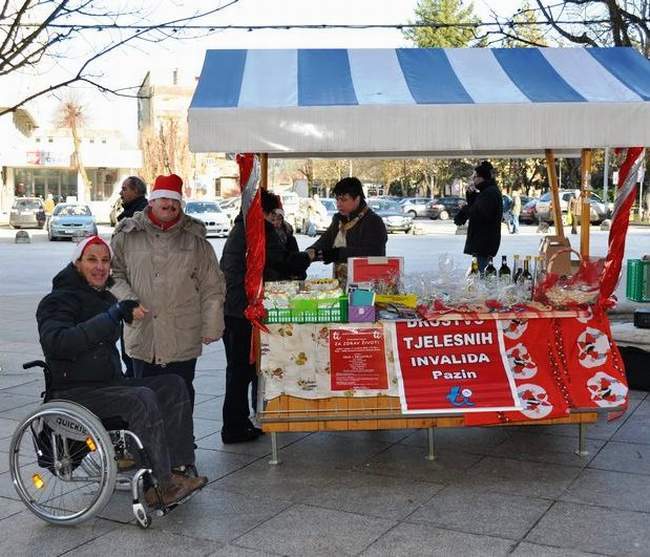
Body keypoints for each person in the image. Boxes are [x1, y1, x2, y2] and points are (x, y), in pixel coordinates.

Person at [36, 236, 207, 507]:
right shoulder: (56, 301)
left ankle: (177, 468)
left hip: (107, 384)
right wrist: (112, 315)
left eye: (105, 260)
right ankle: (160, 486)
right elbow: (59, 343)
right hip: (74, 392)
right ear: (77, 263)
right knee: (140, 398)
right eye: (92, 259)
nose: (100, 266)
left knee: (173, 384)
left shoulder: (102, 297)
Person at [110, 174, 225, 411]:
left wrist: (212, 324)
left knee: (181, 395)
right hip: (143, 332)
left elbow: (212, 286)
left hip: (181, 333)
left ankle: (182, 444)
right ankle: (148, 445)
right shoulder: (127, 234)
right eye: (163, 198)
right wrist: (128, 301)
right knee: (144, 397)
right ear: (151, 201)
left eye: (174, 201)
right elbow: (113, 275)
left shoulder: (195, 240)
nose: (169, 205)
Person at [220, 190, 313, 443]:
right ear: (262, 212)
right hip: (246, 311)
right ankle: (235, 427)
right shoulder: (257, 231)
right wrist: (309, 256)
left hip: (233, 309)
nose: (275, 218)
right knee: (244, 370)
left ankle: (240, 422)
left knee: (239, 371)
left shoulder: (241, 228)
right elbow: (284, 262)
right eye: (271, 213)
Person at [306, 177, 387, 283]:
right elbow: (326, 240)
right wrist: (312, 251)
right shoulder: (339, 220)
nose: (339, 204)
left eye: (344, 200)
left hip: (366, 283)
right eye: (337, 199)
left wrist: (338, 253)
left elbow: (374, 252)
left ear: (357, 199)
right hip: (341, 280)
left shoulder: (373, 221)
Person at [453, 161, 503, 273]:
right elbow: (478, 207)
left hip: (484, 242)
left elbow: (480, 213)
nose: (473, 180)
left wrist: (465, 209)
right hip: (483, 242)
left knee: (480, 276)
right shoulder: (487, 192)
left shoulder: (489, 193)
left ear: (482, 178)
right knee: (478, 274)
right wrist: (471, 196)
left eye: (475, 177)